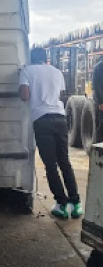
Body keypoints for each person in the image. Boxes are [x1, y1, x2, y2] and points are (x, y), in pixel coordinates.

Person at [18, 47, 82, 219]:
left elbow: (24, 95)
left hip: (42, 120)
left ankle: (61, 204)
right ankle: (76, 203)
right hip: (60, 119)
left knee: (51, 165)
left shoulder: (26, 70)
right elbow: (59, 94)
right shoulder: (56, 72)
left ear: (31, 58)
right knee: (64, 162)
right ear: (46, 58)